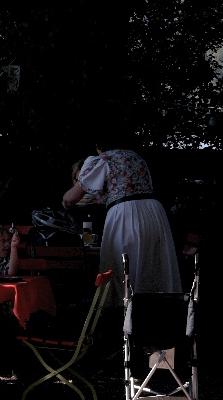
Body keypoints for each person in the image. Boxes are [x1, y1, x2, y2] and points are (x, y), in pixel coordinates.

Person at [62, 129, 181, 302]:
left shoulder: (103, 159)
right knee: (152, 264)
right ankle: (152, 311)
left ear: (99, 146)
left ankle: (121, 312)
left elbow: (70, 198)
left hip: (126, 212)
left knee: (121, 264)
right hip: (154, 212)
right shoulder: (136, 157)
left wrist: (66, 202)